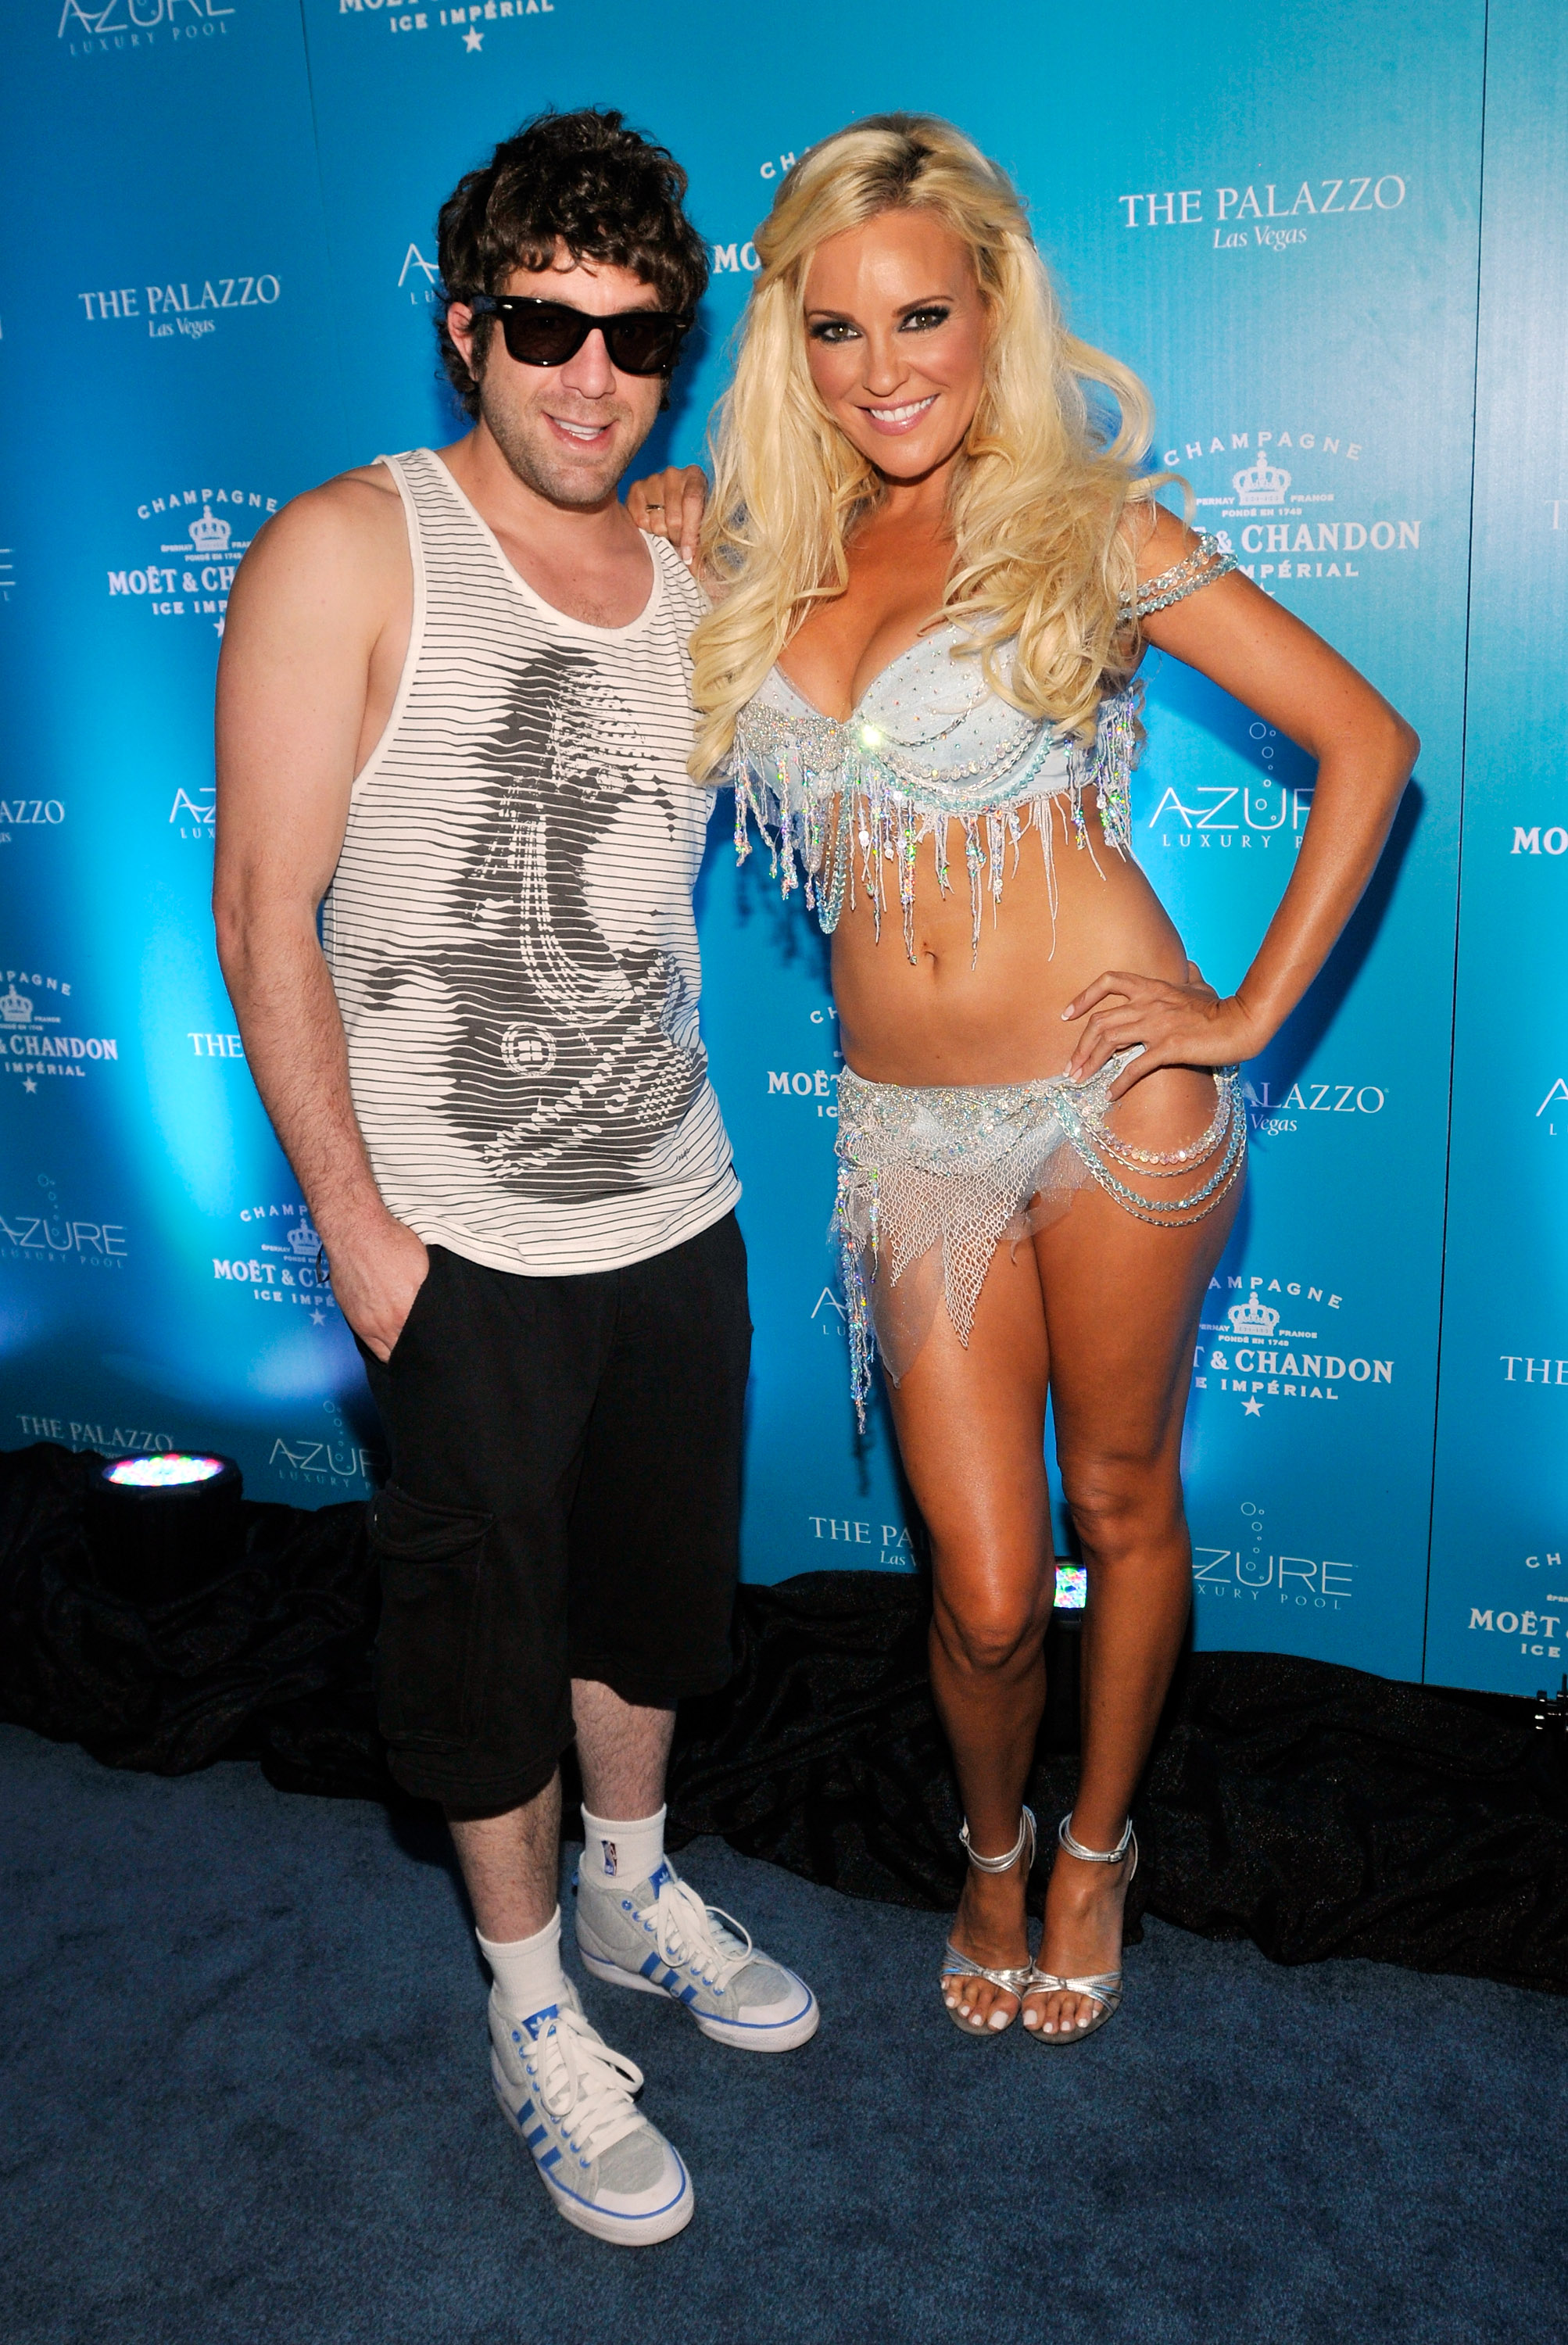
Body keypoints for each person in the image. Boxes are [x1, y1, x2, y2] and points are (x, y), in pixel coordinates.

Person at [632, 113, 1416, 2048]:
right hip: (908, 1134)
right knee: (983, 1589)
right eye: (836, 328)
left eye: (921, 316)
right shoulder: (756, 556)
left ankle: (1093, 1850)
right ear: (790, 342)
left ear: (992, 311)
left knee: (1121, 1498)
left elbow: (1366, 742)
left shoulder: (1088, 529)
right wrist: (661, 535)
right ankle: (988, 1845)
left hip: (1113, 1104)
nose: (882, 367)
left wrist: (1240, 1015)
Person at [213, 108, 817, 2248]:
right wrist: (361, 1242)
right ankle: (530, 1999)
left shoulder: (688, 566)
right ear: (466, 328)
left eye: (636, 336)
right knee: (482, 1662)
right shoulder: (346, 548)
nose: (590, 373)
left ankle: (633, 1891)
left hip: (678, 1203)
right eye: (545, 325)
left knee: (649, 1609)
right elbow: (262, 911)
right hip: (455, 1241)